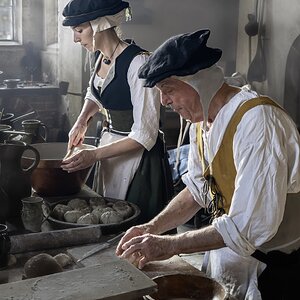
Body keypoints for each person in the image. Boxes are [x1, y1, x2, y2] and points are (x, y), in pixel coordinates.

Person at [116, 29, 300, 300]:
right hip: (227, 262)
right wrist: (151, 228)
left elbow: (247, 226)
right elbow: (198, 191)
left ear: (198, 82)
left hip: (272, 272)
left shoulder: (258, 122)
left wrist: (169, 245)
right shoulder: (200, 124)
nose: (164, 101)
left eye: (168, 90)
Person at [60, 0, 173, 223]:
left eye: (79, 30)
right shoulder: (99, 56)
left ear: (100, 24)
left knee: (133, 225)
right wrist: (82, 120)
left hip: (138, 158)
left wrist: (93, 155)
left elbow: (144, 136)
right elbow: (96, 93)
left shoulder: (139, 63)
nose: (75, 39)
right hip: (109, 149)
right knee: (107, 218)